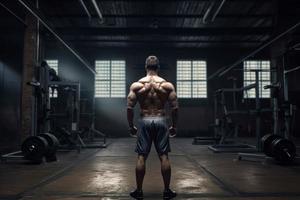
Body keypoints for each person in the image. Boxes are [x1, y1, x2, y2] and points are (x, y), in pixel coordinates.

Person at [127, 55, 178, 199]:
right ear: (158, 67)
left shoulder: (137, 85)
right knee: (164, 156)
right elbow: (175, 108)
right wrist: (174, 126)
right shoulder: (167, 85)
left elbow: (129, 108)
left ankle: (139, 191)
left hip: (145, 120)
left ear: (145, 67)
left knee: (141, 156)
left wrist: (131, 126)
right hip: (161, 120)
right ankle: (167, 191)